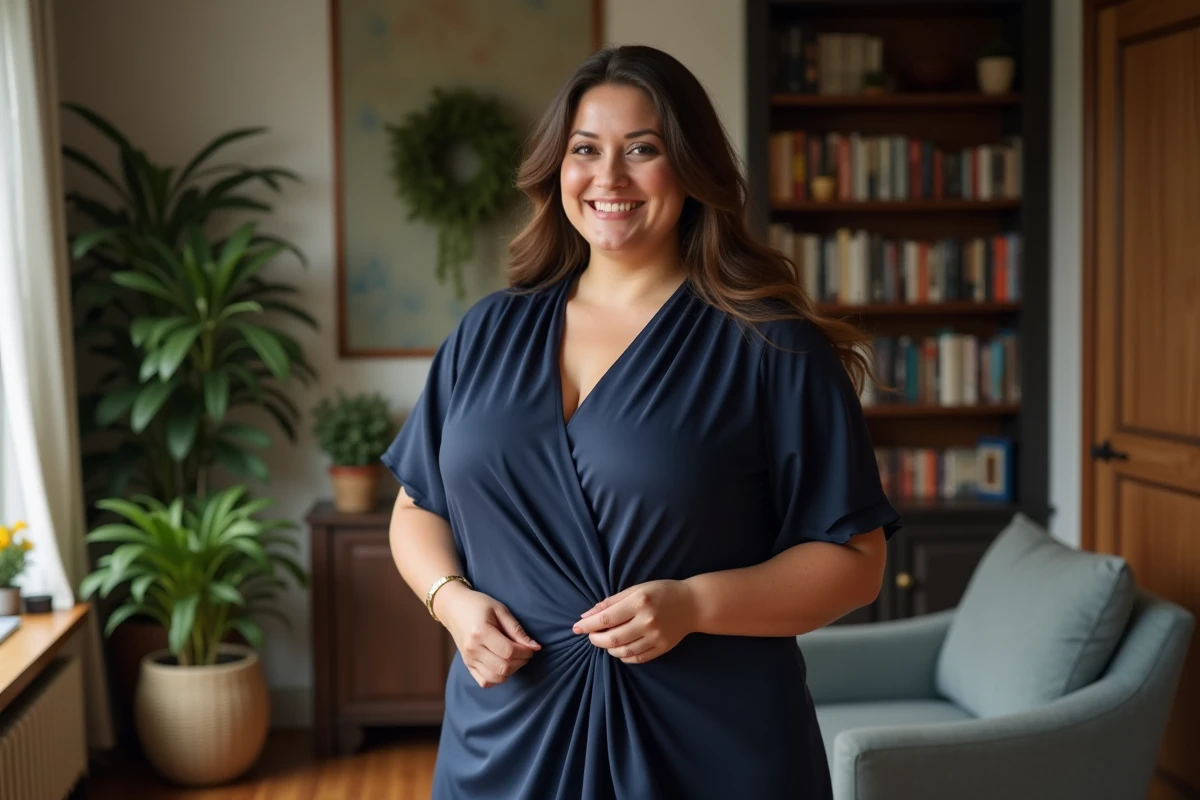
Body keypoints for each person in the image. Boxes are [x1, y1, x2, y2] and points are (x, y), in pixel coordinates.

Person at [382, 43, 901, 800]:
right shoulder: (487, 332)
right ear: (556, 169)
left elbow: (858, 561)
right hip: (502, 738)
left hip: (707, 743)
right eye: (585, 150)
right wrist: (452, 602)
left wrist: (693, 605)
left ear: (690, 169)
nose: (609, 178)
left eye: (643, 150)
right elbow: (414, 508)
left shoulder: (769, 341)